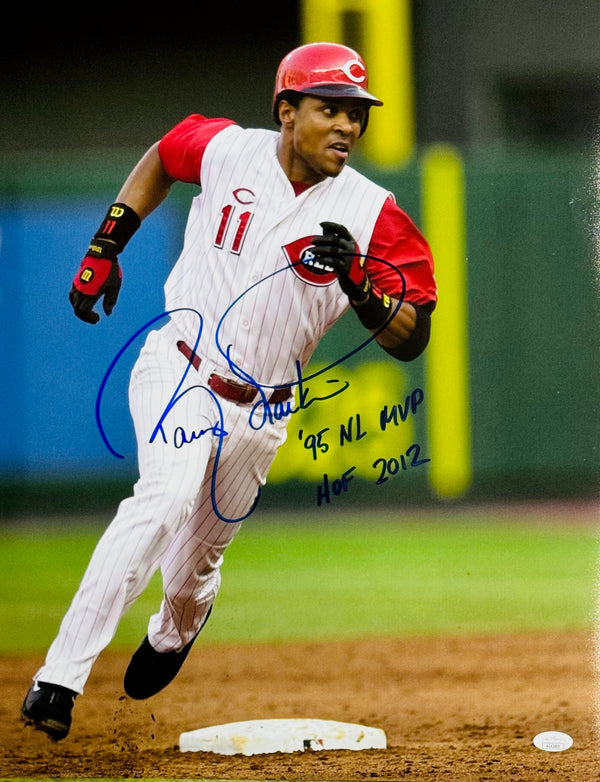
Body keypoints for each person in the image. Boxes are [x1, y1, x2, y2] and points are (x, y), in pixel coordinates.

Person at [21, 41, 437, 741]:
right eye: (329, 109)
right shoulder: (226, 149)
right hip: (178, 365)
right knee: (165, 496)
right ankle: (58, 680)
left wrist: (361, 288)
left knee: (194, 571)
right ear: (286, 109)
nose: (347, 126)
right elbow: (162, 154)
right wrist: (104, 246)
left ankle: (176, 630)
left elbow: (412, 335)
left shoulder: (373, 213)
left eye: (356, 114)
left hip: (263, 412)